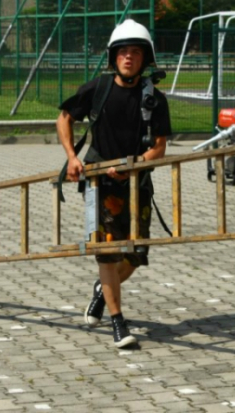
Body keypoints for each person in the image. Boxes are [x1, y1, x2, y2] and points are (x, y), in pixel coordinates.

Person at [56, 19, 172, 349]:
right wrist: (72, 158)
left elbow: (160, 148)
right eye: (122, 52)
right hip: (99, 185)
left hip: (138, 185)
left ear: (145, 59)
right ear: (113, 57)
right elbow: (64, 118)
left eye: (135, 52)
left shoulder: (155, 99)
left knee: (134, 255)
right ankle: (118, 322)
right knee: (107, 253)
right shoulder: (97, 89)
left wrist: (134, 165)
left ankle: (101, 293)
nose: (128, 58)